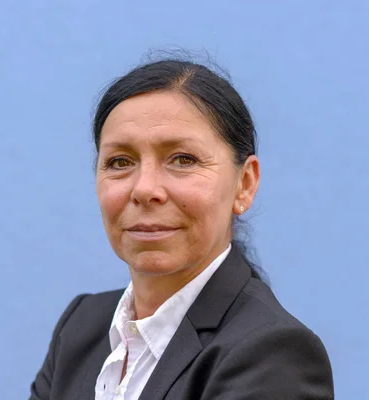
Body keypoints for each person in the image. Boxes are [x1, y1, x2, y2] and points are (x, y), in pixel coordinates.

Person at [29, 57, 334, 399]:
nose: (145, 189)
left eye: (183, 159)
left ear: (244, 184)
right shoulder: (82, 327)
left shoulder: (272, 355)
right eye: (120, 162)